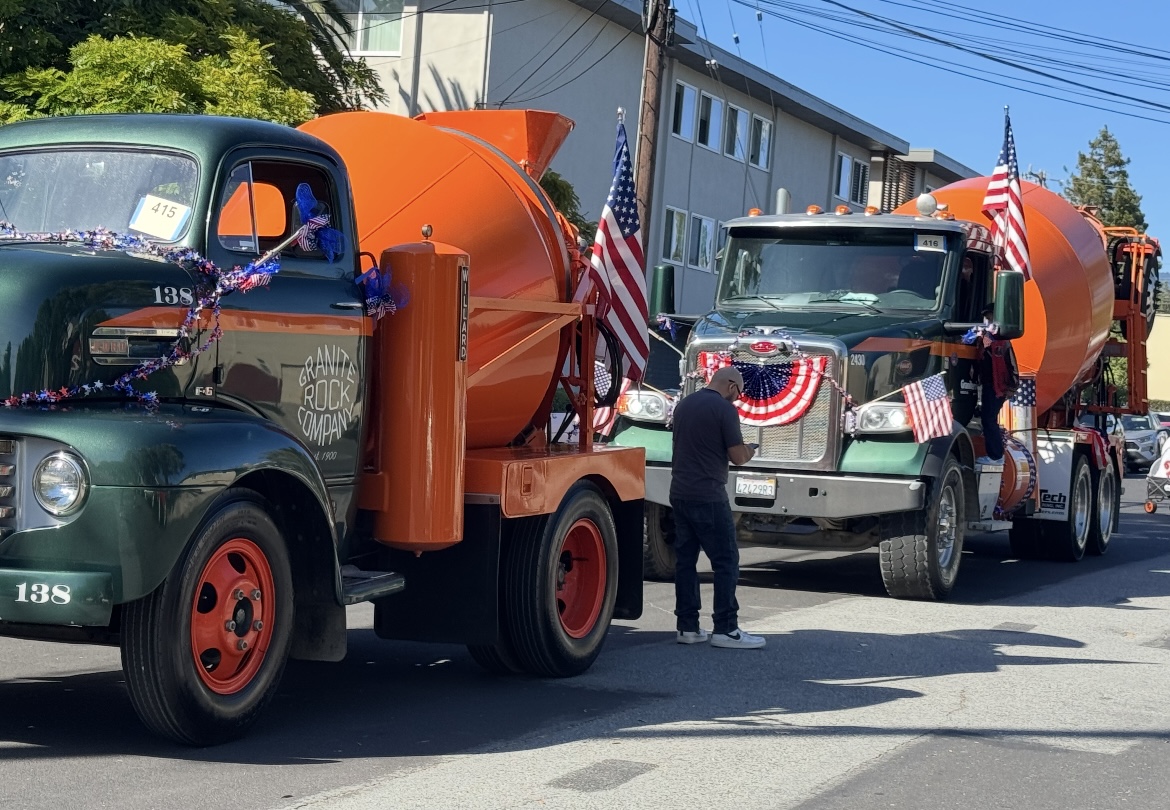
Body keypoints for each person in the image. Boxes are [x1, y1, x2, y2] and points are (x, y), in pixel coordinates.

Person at [669, 365, 766, 649]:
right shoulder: (725, 410)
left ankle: (687, 627)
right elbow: (737, 457)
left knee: (685, 562)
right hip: (709, 495)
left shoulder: (685, 404)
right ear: (732, 386)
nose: (737, 399)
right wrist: (750, 448)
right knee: (725, 561)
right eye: (739, 393)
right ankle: (726, 629)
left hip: (679, 492)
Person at [975, 304, 1020, 464]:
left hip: (997, 387)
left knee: (989, 419)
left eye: (990, 317)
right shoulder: (983, 338)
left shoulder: (1002, 342)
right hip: (986, 385)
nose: (988, 320)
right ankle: (994, 452)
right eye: (986, 317)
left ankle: (996, 456)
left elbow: (1012, 366)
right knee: (987, 419)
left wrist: (1011, 387)